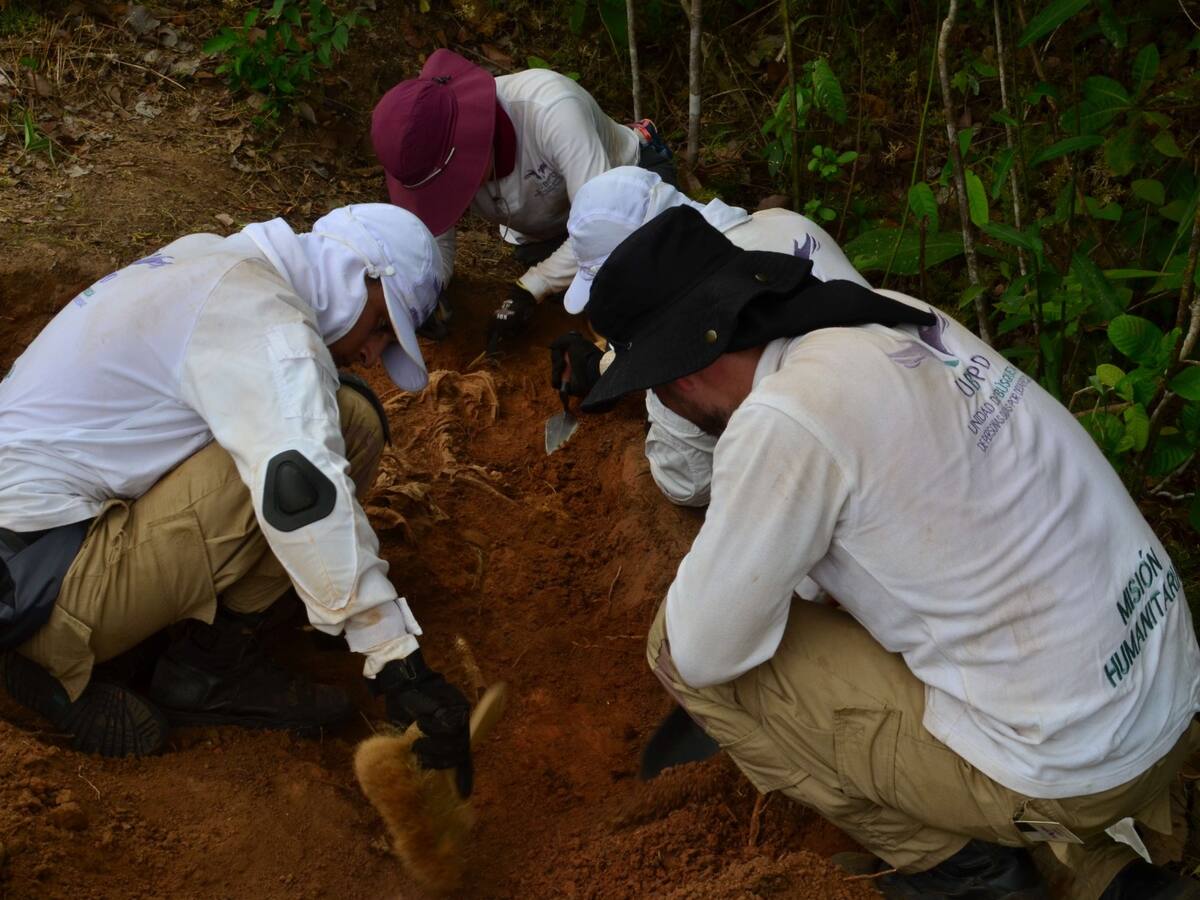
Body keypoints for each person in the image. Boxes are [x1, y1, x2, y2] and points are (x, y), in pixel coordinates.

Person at [579, 205, 1200, 900]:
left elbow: (703, 650)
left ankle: (965, 873)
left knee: (679, 647)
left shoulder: (783, 417)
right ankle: (1100, 875)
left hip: (1084, 767)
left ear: (678, 379)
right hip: (1168, 695)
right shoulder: (888, 318)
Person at [0, 204, 473, 793]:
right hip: (36, 592)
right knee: (329, 439)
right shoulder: (263, 318)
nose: (372, 354)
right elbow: (300, 491)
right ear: (357, 275)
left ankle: (156, 643)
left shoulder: (214, 259)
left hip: (31, 551)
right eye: (381, 325)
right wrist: (396, 661)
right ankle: (192, 668)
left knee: (321, 418)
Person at [550, 166, 866, 509]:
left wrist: (645, 383)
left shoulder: (687, 329)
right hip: (887, 385)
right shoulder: (782, 221)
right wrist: (607, 365)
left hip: (849, 472)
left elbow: (688, 481)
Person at [371, 49, 675, 355]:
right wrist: (423, 294)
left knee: (637, 295)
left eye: (448, 184)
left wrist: (532, 286)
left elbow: (604, 227)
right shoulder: (431, 153)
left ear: (469, 144)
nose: (447, 194)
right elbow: (436, 241)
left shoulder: (551, 110)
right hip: (544, 231)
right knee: (571, 304)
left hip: (627, 200)